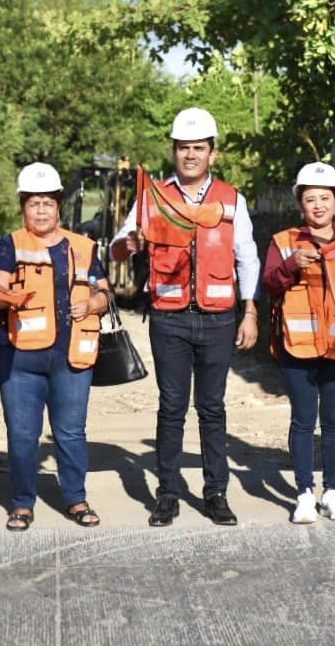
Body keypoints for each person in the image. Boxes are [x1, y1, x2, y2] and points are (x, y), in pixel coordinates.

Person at [110, 107, 261, 528]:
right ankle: (168, 495)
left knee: (212, 409)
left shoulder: (232, 200)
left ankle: (216, 494)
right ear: (173, 152)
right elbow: (116, 248)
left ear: (212, 153)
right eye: (183, 148)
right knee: (171, 408)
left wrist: (250, 312)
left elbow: (247, 258)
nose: (190, 155)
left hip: (218, 319)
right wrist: (131, 243)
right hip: (169, 318)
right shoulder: (152, 198)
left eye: (198, 148)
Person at [0, 162, 111, 531]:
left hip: (71, 356)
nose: (40, 211)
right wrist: (6, 291)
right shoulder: (11, 243)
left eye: (47, 203)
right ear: (23, 207)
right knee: (22, 433)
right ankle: (23, 503)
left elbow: (106, 293)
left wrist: (91, 304)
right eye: (33, 204)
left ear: (59, 205)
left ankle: (76, 498)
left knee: (71, 431)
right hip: (21, 357)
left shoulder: (84, 247)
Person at [260, 162, 335, 524]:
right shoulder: (284, 242)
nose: (318, 206)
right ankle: (303, 495)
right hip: (296, 348)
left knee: (334, 422)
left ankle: (332, 492)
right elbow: (268, 285)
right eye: (310, 199)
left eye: (324, 198)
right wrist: (290, 265)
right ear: (301, 204)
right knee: (302, 421)